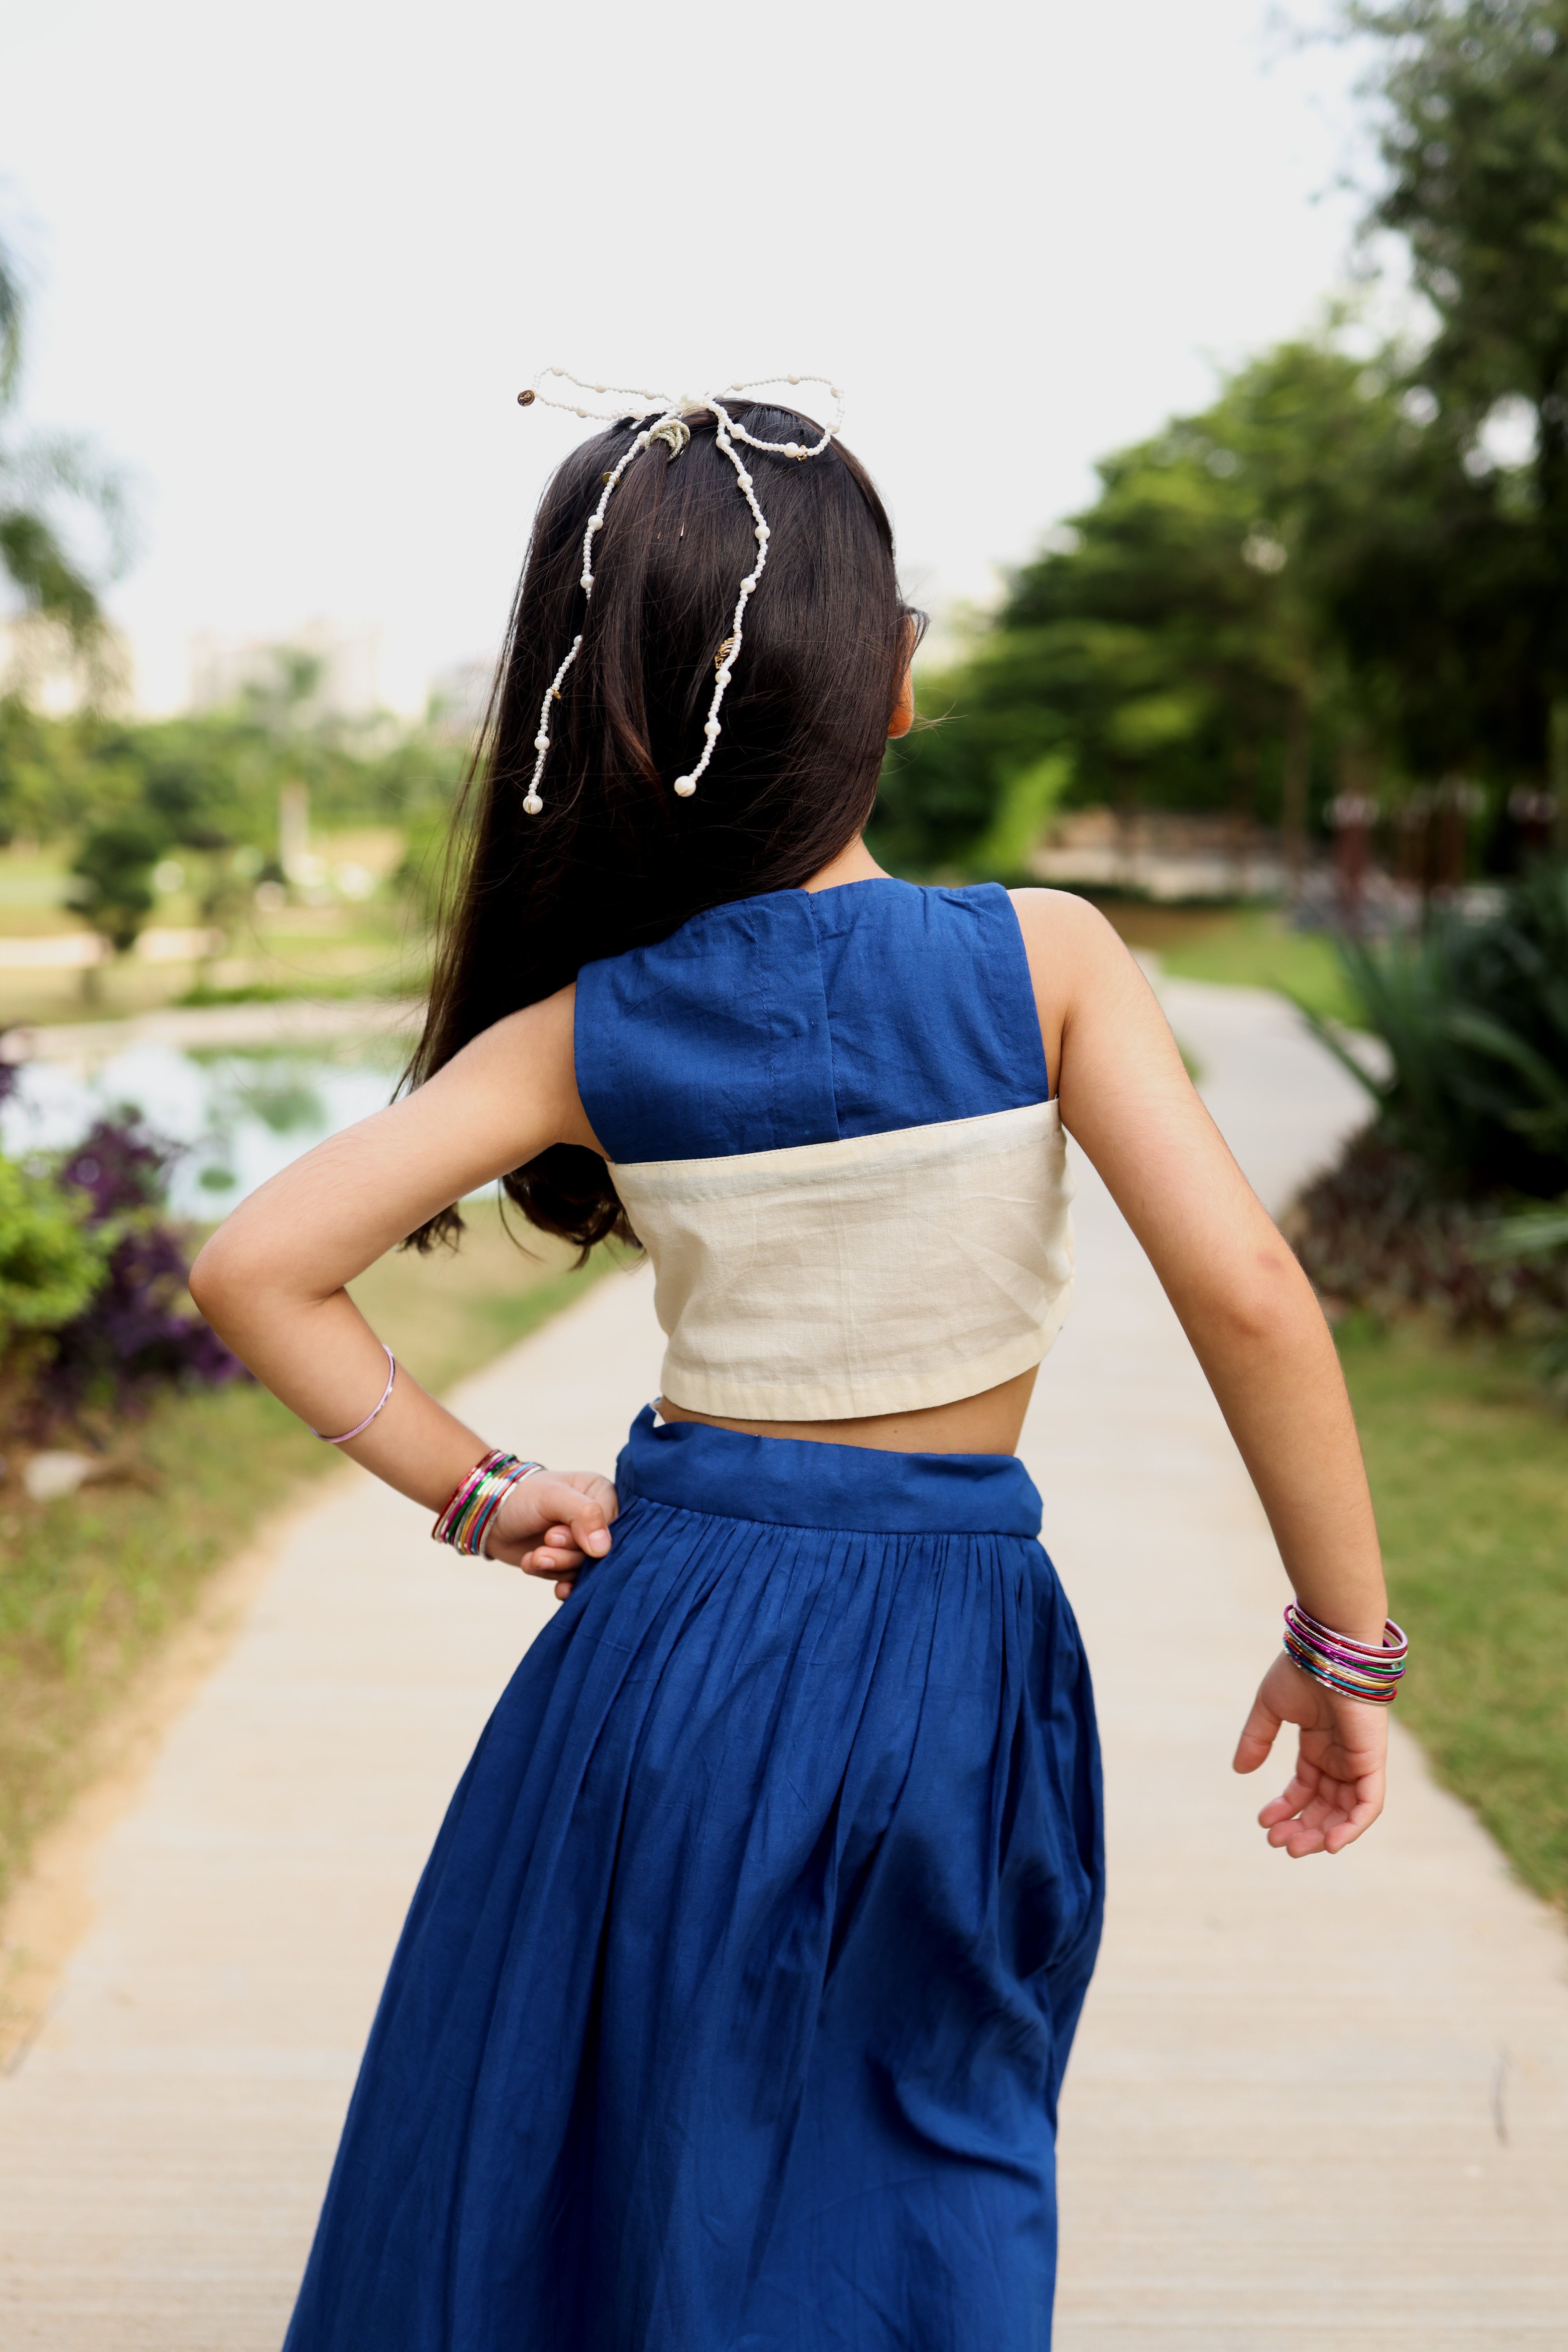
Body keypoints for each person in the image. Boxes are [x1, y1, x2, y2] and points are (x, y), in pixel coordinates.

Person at [191, 375, 1403, 2352]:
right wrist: (1344, 1650)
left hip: (668, 1649)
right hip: (950, 1645)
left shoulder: (592, 1027)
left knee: (630, 2153)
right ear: (892, 681)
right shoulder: (1049, 959)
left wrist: (481, 1491)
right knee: (930, 2150)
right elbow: (1253, 1297)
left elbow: (258, 1269)